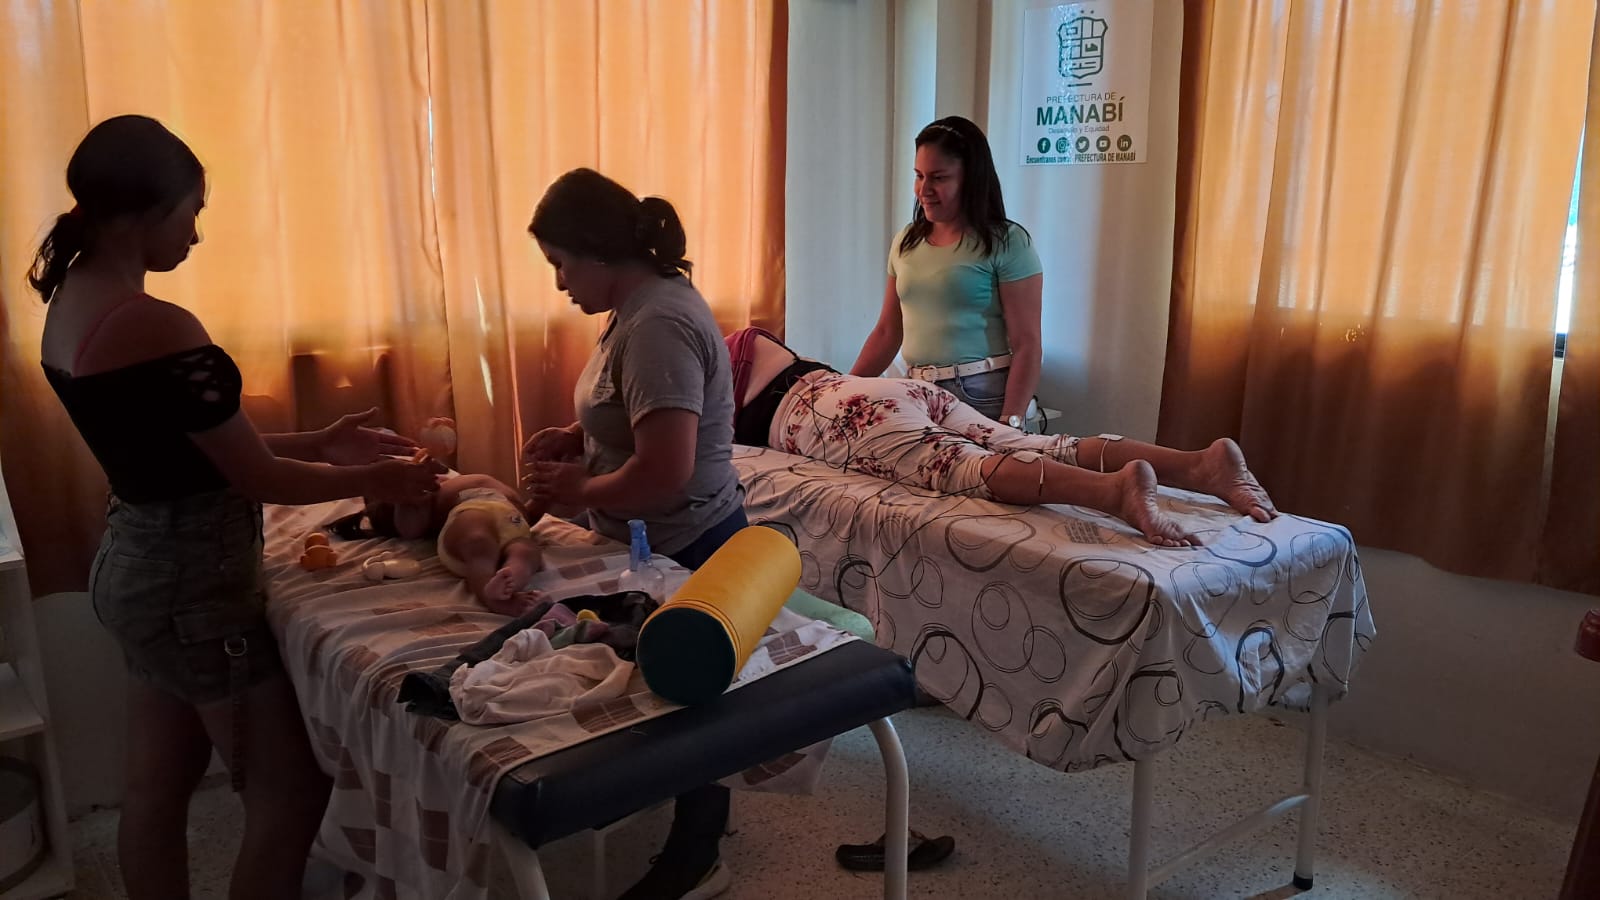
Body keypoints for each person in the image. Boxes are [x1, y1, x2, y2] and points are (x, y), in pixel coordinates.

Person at [31, 115, 441, 900]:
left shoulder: (74, 298)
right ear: (148, 213)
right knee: (290, 794)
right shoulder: (152, 322)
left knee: (158, 786)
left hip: (137, 566)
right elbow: (255, 477)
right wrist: (378, 482)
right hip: (192, 587)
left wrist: (322, 440)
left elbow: (181, 444)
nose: (196, 234)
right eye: (192, 212)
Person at [520, 168, 745, 899]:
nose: (559, 282)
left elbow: (667, 471)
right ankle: (669, 797)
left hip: (691, 540)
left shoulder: (657, 325)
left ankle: (699, 855)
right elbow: (634, 412)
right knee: (652, 686)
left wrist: (578, 490)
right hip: (653, 542)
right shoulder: (633, 310)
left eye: (560, 263)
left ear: (596, 250)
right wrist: (579, 437)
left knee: (688, 702)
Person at [733, 327, 1277, 546]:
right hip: (882, 390)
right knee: (1042, 445)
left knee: (962, 469)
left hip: (840, 415)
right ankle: (1200, 465)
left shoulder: (709, 361)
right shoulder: (748, 340)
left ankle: (1114, 492)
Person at [851, 115, 1044, 432]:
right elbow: (887, 332)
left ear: (971, 179)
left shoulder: (1008, 242)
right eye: (919, 176)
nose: (924, 190)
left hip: (982, 394)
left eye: (939, 178)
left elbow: (1027, 344)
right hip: (917, 393)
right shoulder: (906, 240)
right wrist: (843, 390)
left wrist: (1010, 423)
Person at [337, 472, 549, 617]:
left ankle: (510, 580)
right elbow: (410, 530)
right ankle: (491, 594)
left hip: (514, 521)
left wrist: (542, 499)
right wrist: (408, 500)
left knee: (526, 551)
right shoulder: (421, 502)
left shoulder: (447, 483)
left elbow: (528, 518)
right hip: (471, 511)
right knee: (479, 541)